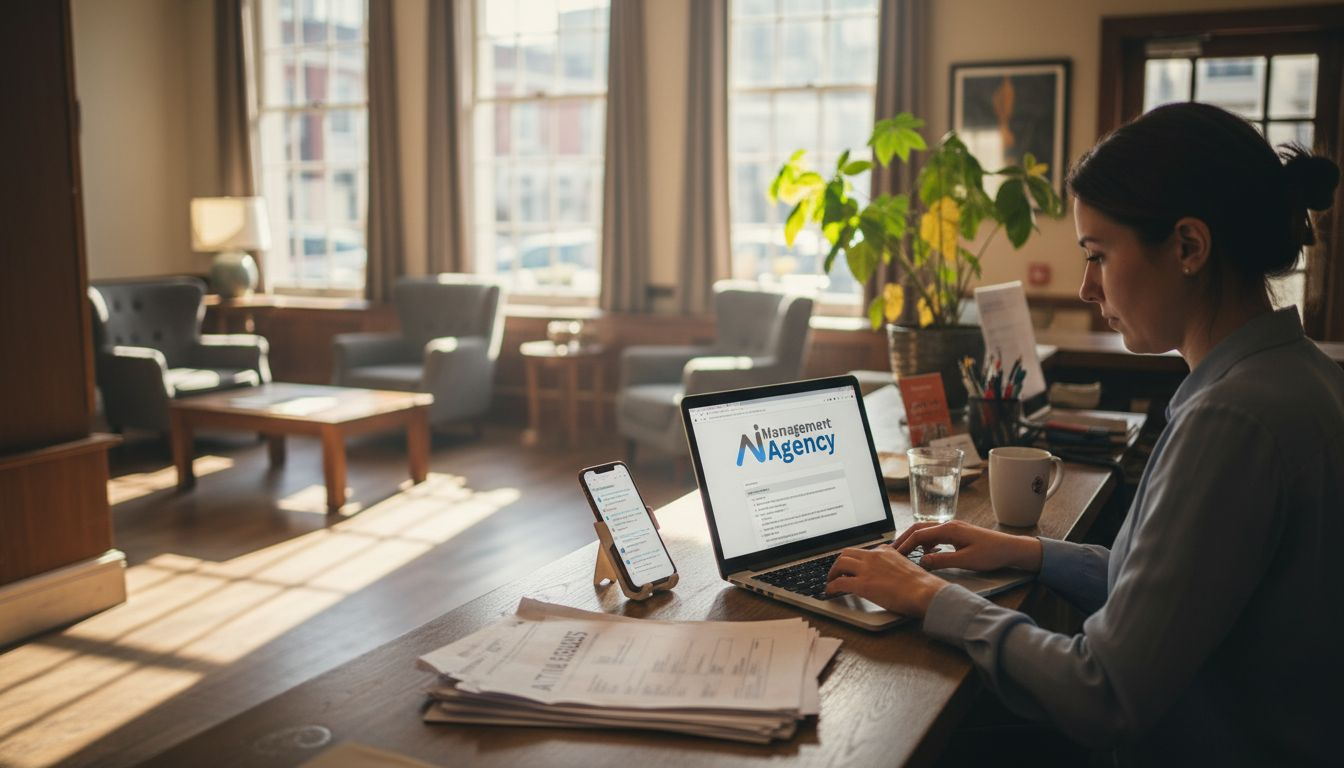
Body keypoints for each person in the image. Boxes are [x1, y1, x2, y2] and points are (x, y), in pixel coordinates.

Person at [826, 101, 1344, 765]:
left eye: (1098, 255)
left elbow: (1105, 693)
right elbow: (1176, 589)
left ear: (1188, 246)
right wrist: (1029, 553)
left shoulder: (1232, 420)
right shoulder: (1295, 376)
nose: (1085, 286)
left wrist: (930, 595)